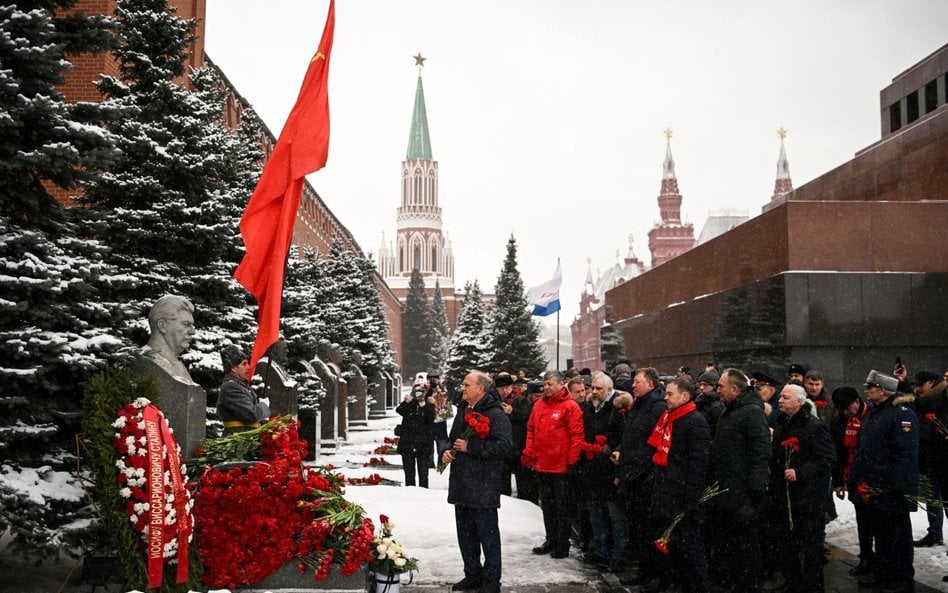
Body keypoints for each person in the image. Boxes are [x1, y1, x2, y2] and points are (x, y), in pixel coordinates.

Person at [848, 370, 919, 593]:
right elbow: (866, 449)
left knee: (898, 537)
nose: (867, 390)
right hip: (874, 486)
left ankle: (901, 579)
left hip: (891, 489)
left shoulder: (901, 414)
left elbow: (904, 455)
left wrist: (891, 486)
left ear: (884, 390)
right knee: (883, 536)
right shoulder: (876, 413)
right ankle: (883, 574)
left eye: (871, 387)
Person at [441, 371, 512, 593]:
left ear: (480, 389)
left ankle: (492, 581)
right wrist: (445, 451)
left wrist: (472, 447)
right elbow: (452, 438)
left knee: (488, 537)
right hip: (462, 483)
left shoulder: (496, 414)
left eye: (467, 384)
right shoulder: (464, 409)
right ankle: (472, 574)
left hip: (483, 485)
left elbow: (505, 446)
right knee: (466, 536)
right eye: (463, 384)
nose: (462, 388)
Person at [768, 383, 836, 593]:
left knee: (810, 547)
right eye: (780, 397)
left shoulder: (814, 426)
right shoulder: (780, 422)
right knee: (786, 543)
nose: (780, 400)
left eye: (785, 397)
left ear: (799, 402)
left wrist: (801, 471)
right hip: (784, 495)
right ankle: (793, 582)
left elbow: (827, 458)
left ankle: (813, 586)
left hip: (807, 497)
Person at [708, 368, 771, 593]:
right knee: (731, 543)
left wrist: (754, 495)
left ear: (735, 390)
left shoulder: (751, 412)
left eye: (720, 387)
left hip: (743, 494)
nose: (717, 391)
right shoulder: (731, 410)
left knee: (746, 546)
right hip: (727, 490)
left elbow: (761, 453)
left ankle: (748, 585)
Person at [648, 378, 711, 593]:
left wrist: (690, 498)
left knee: (689, 546)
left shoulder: (695, 422)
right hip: (665, 490)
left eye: (670, 394)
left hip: (682, 494)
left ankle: (696, 586)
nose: (665, 398)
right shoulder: (668, 418)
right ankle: (671, 581)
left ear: (685, 396)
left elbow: (698, 464)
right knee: (669, 543)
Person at [613, 367, 667, 589]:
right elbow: (631, 437)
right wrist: (620, 450)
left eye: (637, 382)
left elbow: (652, 444)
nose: (633, 385)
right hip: (631, 475)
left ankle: (654, 574)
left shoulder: (657, 408)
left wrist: (641, 470)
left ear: (651, 385)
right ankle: (642, 571)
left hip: (645, 478)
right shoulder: (638, 406)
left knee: (648, 529)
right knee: (636, 528)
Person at [522, 371, 585, 559]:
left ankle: (562, 543)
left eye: (550, 384)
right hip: (542, 464)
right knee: (547, 506)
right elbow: (531, 430)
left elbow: (576, 436)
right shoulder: (539, 405)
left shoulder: (570, 407)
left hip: (561, 467)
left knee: (562, 507)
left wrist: (572, 460)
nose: (546, 387)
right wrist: (530, 452)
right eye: (545, 384)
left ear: (561, 384)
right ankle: (550, 539)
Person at [581, 371, 628, 573]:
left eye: (599, 389)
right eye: (592, 388)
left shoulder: (618, 409)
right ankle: (601, 551)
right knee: (596, 515)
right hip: (593, 469)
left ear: (610, 390)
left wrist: (613, 449)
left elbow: (624, 437)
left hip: (610, 471)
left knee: (616, 517)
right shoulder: (590, 408)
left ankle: (618, 556)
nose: (594, 392)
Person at [830, 385, 874, 576]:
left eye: (848, 407)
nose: (846, 412)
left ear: (857, 402)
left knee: (879, 523)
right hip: (853, 476)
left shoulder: (872, 416)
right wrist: (839, 481)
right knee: (863, 521)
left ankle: (883, 560)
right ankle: (866, 557)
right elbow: (838, 454)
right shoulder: (839, 422)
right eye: (842, 409)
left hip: (873, 477)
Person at [142, 294, 197, 384]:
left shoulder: (178, 365)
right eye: (186, 324)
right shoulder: (146, 361)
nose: (192, 331)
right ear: (162, 325)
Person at [217, 345, 270, 436]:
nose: (249, 367)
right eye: (244, 364)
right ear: (233, 368)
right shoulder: (231, 387)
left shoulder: (240, 385)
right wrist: (264, 405)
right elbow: (252, 415)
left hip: (243, 438)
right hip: (238, 440)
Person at [396, 385, 435, 487]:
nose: (419, 395)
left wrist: (423, 405)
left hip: (423, 442)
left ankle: (424, 489)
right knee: (409, 471)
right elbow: (399, 410)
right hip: (408, 441)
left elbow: (431, 418)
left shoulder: (428, 404)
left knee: (423, 471)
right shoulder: (409, 404)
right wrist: (406, 401)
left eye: (422, 392)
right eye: (417, 392)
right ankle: (410, 488)